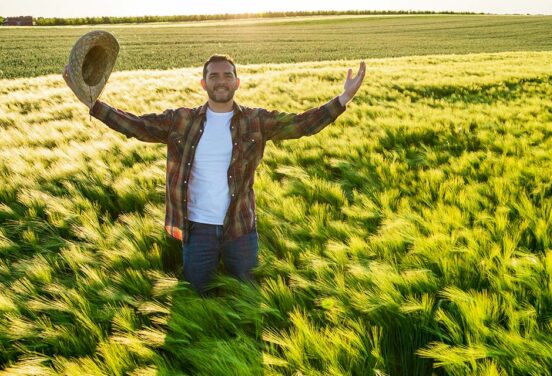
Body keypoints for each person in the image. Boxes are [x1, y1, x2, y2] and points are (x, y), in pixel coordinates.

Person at [63, 54, 366, 295]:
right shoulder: (180, 120)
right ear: (203, 83)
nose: (220, 81)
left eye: (227, 75)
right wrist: (95, 106)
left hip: (241, 229)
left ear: (237, 82)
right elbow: (137, 126)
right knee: (197, 296)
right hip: (197, 231)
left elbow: (302, 125)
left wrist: (342, 100)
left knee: (248, 296)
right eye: (213, 76)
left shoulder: (256, 121)